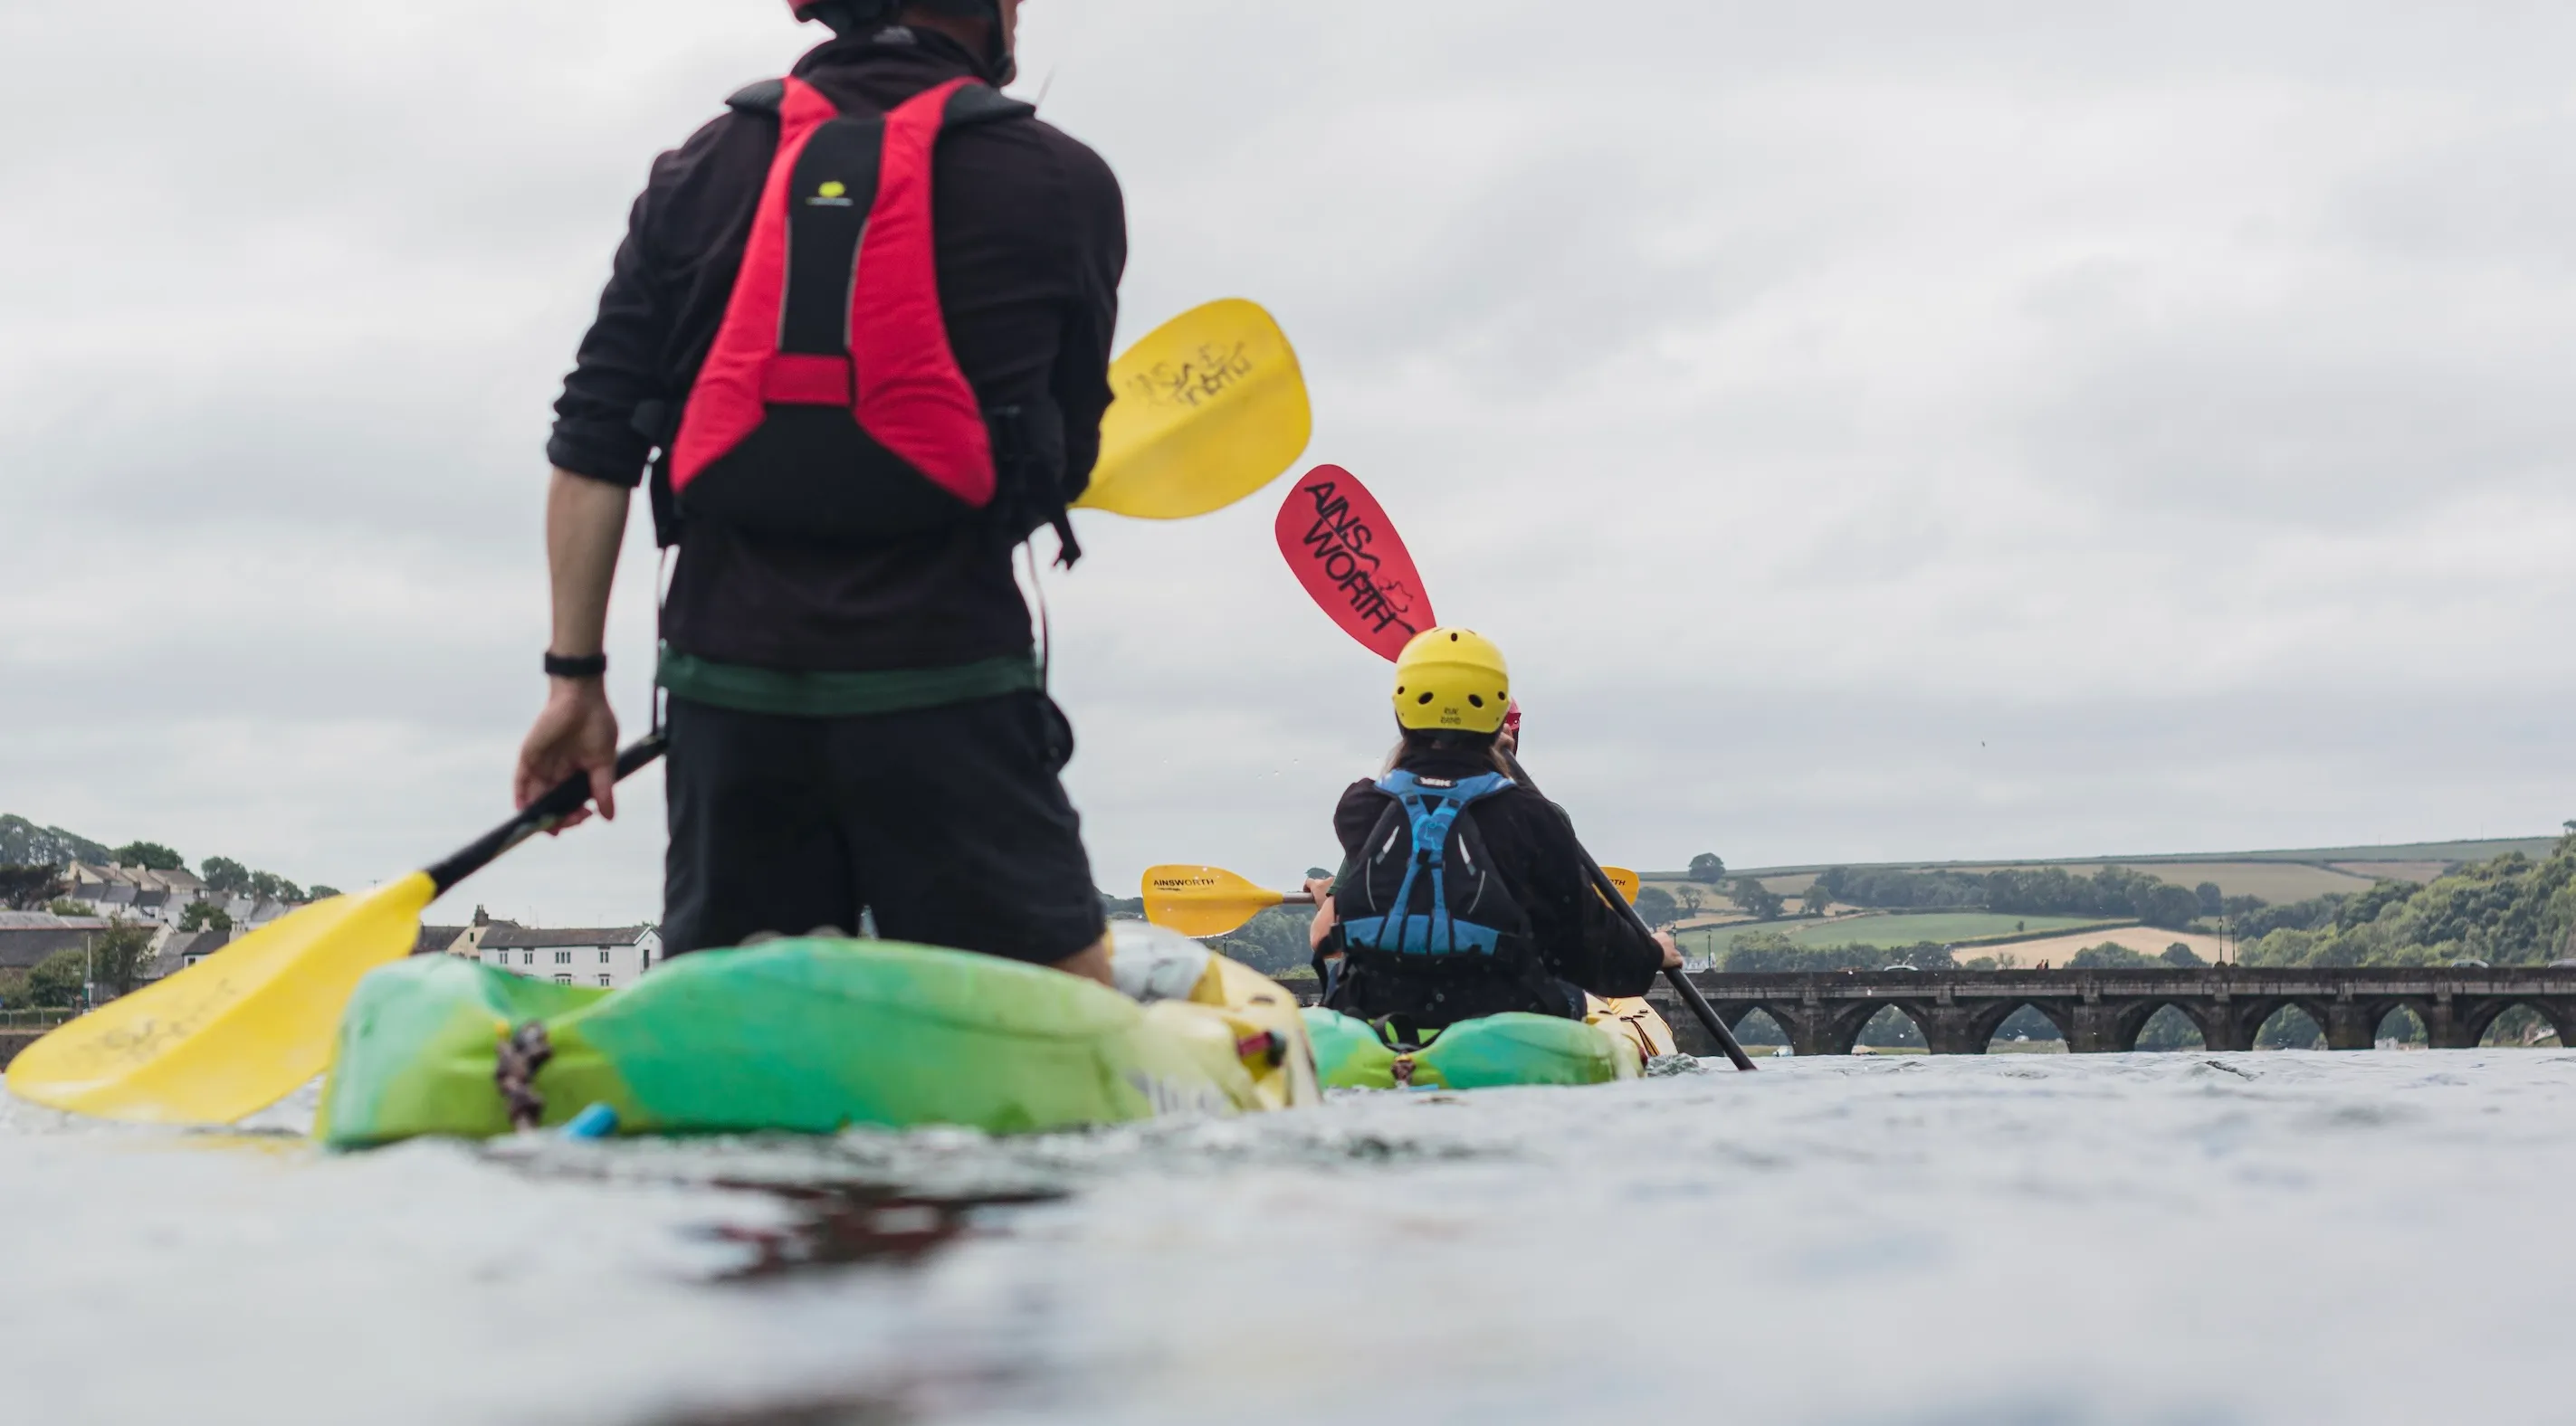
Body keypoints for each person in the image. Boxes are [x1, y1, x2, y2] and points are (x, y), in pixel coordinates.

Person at [514, 0, 1126, 984]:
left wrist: (574, 680)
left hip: (730, 703)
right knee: (1067, 1051)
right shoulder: (1063, 184)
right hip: (950, 692)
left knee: (734, 1079)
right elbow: (1065, 463)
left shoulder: (697, 170)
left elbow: (593, 442)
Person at [1303, 628, 1679, 1031]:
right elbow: (1586, 948)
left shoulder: (1362, 808)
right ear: (1500, 720)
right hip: (1502, 1028)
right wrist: (1650, 955)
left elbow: (1330, 933)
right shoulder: (1534, 817)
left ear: (1400, 712)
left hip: (1373, 1020)